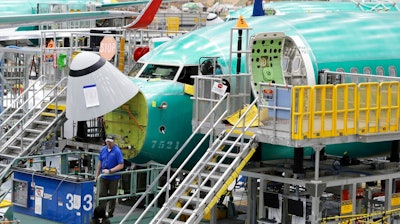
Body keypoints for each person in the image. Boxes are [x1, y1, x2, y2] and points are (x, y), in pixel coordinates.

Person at [95, 134, 124, 218]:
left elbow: (121, 165)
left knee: (112, 195)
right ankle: (101, 212)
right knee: (101, 195)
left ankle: (110, 213)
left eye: (110, 142)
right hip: (103, 177)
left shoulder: (117, 151)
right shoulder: (103, 150)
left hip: (113, 178)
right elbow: (100, 163)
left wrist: (110, 171)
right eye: (107, 141)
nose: (108, 143)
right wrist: (96, 176)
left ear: (114, 142)